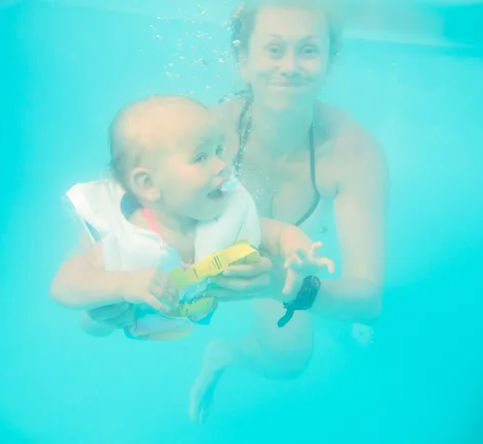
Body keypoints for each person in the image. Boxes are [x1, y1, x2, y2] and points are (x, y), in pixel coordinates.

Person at [81, 0, 389, 424]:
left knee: (290, 360)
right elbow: (126, 206)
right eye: (274, 49)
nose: (290, 66)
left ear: (328, 65)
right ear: (244, 62)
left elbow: (368, 297)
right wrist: (99, 302)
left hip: (282, 261)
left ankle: (224, 353)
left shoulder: (354, 152)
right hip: (199, 249)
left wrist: (279, 285)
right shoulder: (208, 129)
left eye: (309, 50)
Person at [51, 94, 334, 341]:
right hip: (124, 316)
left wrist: (299, 250)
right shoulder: (129, 237)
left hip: (190, 313)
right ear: (149, 185)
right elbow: (64, 284)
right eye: (201, 157)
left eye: (219, 151)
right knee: (97, 320)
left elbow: (278, 233)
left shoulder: (224, 214)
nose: (222, 165)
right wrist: (125, 284)